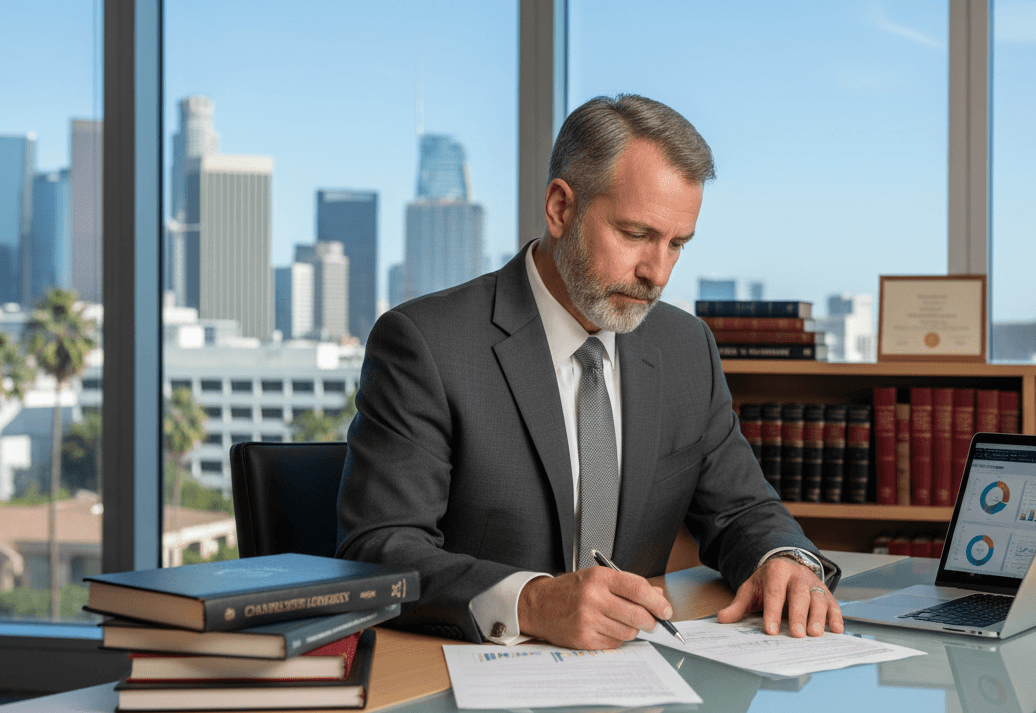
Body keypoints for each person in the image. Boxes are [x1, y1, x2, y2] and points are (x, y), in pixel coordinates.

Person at [337, 94, 842, 650]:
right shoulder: (427, 343)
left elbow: (743, 508)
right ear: (560, 208)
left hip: (637, 686)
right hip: (463, 685)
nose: (657, 273)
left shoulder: (684, 347)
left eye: (677, 244)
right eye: (635, 235)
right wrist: (531, 602)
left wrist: (783, 560)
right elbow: (379, 549)